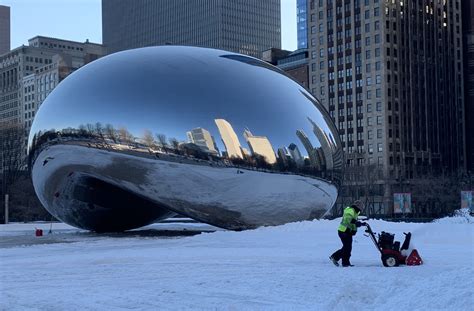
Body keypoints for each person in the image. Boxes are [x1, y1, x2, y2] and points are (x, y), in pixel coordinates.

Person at [329, 200, 366, 267]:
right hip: (343, 231)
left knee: (347, 247)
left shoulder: (355, 212)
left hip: (347, 232)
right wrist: (355, 222)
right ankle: (340, 260)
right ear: (358, 206)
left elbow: (353, 222)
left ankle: (341, 260)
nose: (361, 209)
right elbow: (348, 219)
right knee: (347, 247)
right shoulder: (350, 210)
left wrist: (360, 224)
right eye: (361, 207)